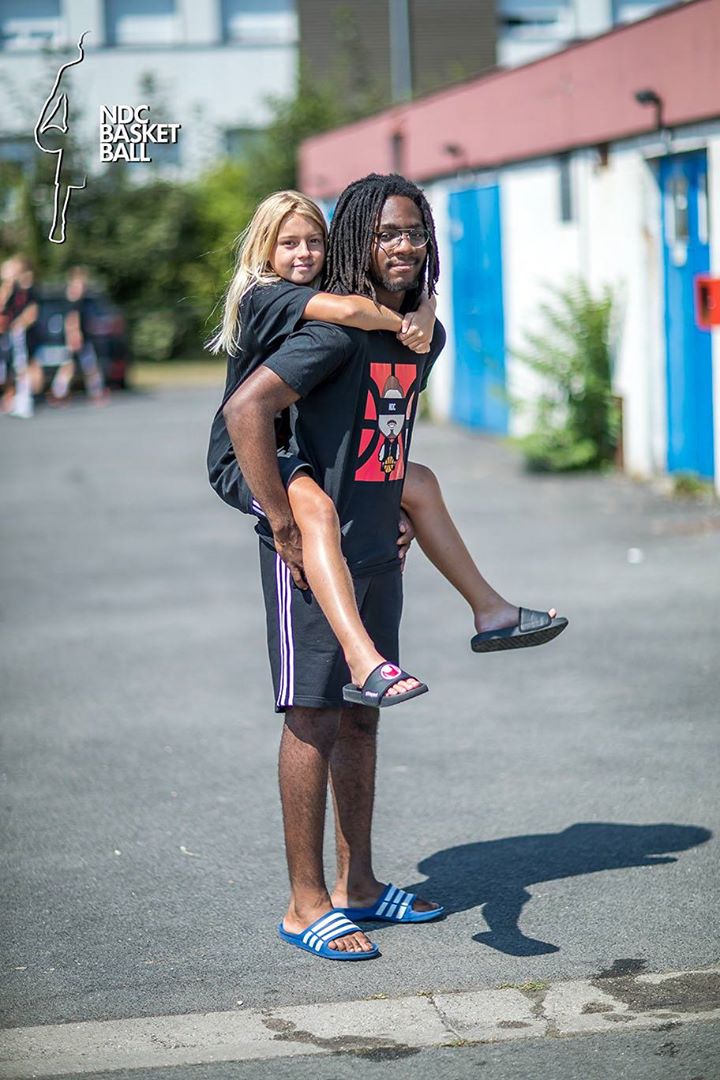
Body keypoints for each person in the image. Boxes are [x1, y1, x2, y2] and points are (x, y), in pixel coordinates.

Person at [219, 173, 566, 961]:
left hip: (376, 544)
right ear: (356, 244)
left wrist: (399, 507)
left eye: (414, 232)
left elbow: (388, 428)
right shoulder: (329, 332)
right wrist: (280, 521)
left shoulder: (421, 334)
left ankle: (361, 888)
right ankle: (306, 905)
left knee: (361, 715)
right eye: (386, 234)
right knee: (311, 715)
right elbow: (246, 413)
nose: (404, 246)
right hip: (312, 551)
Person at [208, 192, 566, 703]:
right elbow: (349, 310)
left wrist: (425, 305)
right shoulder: (268, 296)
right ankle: (363, 659)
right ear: (264, 252)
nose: (303, 254)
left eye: (314, 242)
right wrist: (410, 316)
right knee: (315, 509)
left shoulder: (327, 300)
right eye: (288, 244)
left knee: (418, 482)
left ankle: (491, 610)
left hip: (289, 444)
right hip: (245, 453)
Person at [49, 266, 108, 405]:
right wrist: (74, 336)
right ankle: (59, 393)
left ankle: (60, 393)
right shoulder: (73, 300)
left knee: (83, 367)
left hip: (80, 338)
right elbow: (71, 320)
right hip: (77, 339)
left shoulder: (76, 299)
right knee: (80, 367)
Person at [0, 256, 41, 419]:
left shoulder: (28, 290)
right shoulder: (10, 289)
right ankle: (13, 399)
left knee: (22, 366)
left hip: (21, 334)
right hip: (9, 334)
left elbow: (32, 312)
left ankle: (25, 401)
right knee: (12, 368)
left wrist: (20, 324)